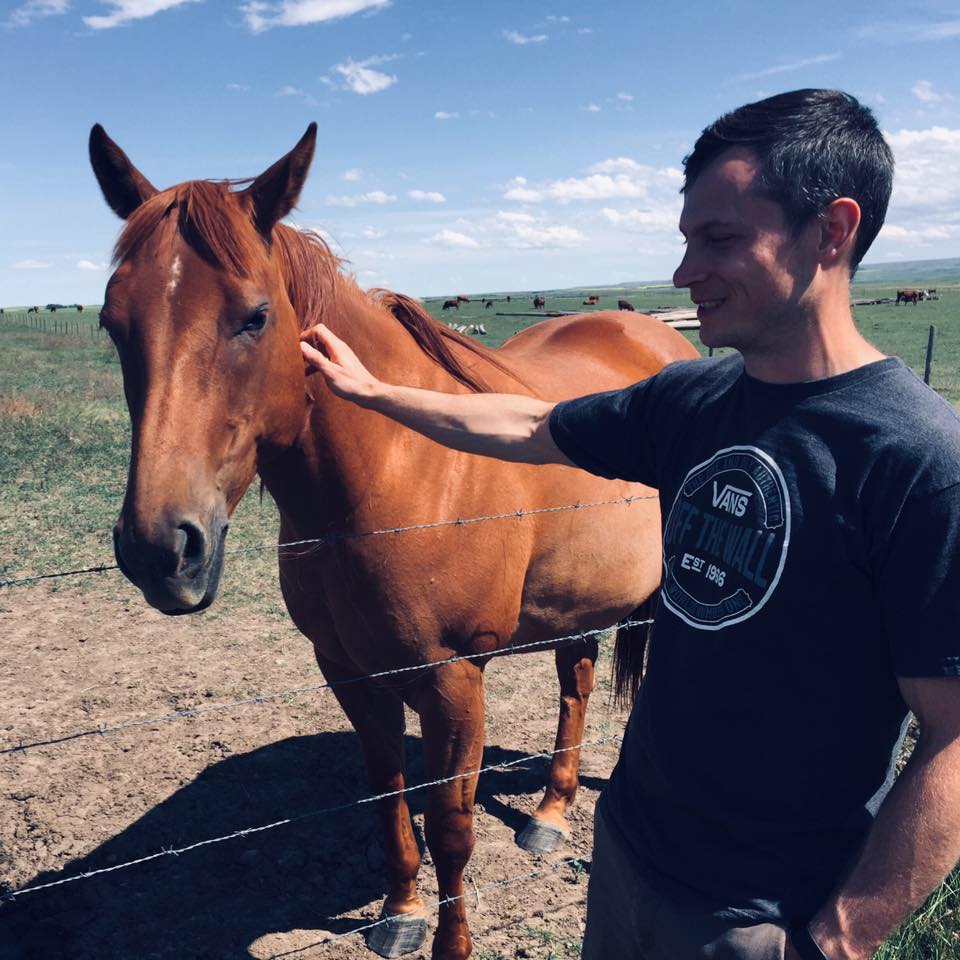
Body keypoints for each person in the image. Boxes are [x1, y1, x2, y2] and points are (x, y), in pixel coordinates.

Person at [299, 89, 960, 960]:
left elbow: (953, 738)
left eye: (719, 238)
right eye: (686, 239)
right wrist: (376, 393)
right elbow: (530, 427)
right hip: (629, 856)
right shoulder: (694, 397)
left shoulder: (917, 459)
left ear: (832, 232)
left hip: (765, 911)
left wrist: (837, 941)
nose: (686, 273)